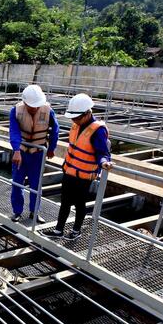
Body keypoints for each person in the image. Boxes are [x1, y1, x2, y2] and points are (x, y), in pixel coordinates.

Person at [50, 93, 113, 240]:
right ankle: (58, 230)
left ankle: (76, 231)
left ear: (87, 113)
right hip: (69, 171)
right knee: (64, 201)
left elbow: (102, 152)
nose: (74, 120)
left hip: (84, 176)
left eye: (76, 117)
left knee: (80, 204)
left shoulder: (98, 130)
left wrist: (104, 162)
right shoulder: (76, 125)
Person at [9, 84, 59, 222]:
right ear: (24, 102)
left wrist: (51, 148)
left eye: (37, 105)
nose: (35, 108)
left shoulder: (48, 110)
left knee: (36, 185)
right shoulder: (16, 111)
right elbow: (14, 132)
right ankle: (17, 211)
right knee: (17, 183)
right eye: (31, 105)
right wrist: (16, 150)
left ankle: (34, 212)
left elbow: (55, 130)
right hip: (22, 153)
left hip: (38, 153)